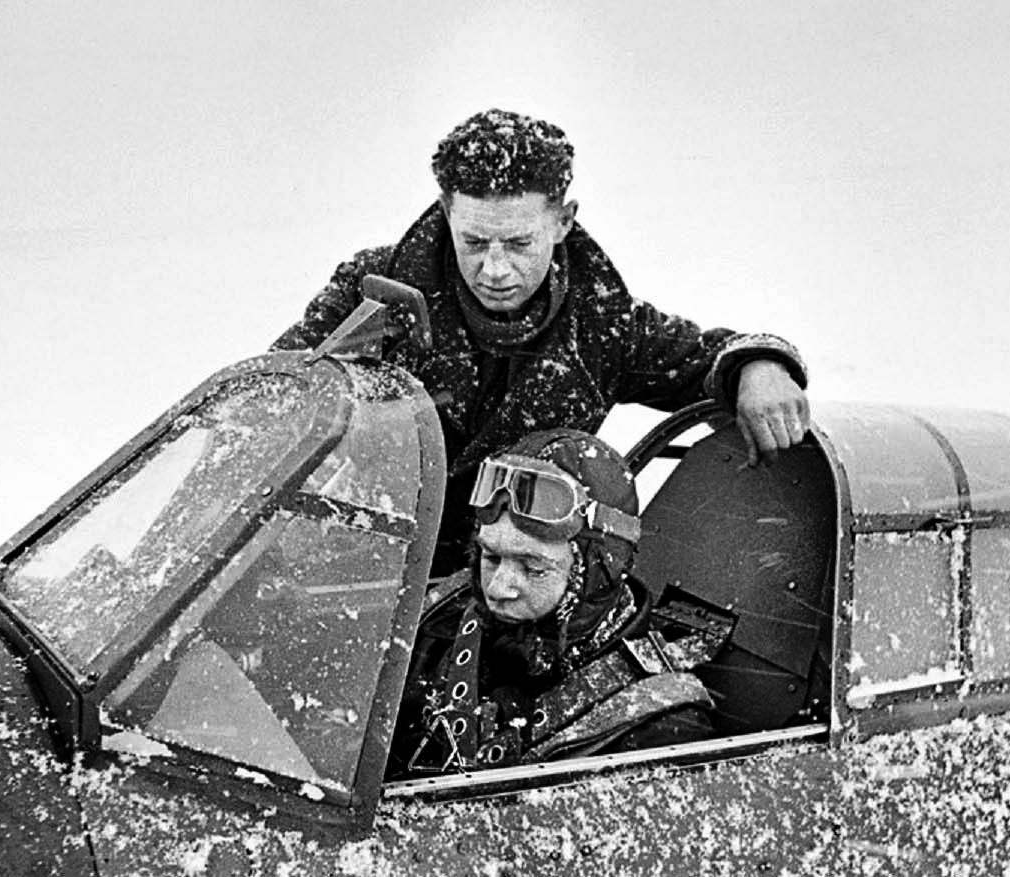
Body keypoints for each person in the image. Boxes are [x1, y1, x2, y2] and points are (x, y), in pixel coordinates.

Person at [272, 108, 810, 572]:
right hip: (359, 577)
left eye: (519, 243)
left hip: (506, 592)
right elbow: (283, 393)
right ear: (446, 214)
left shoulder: (604, 324)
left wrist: (759, 366)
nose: (496, 268)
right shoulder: (371, 292)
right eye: (475, 242)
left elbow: (705, 359)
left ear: (563, 222)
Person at [389, 429, 735, 775]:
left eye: (533, 568)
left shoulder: (657, 730)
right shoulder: (436, 620)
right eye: (491, 557)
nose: (497, 588)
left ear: (595, 573)